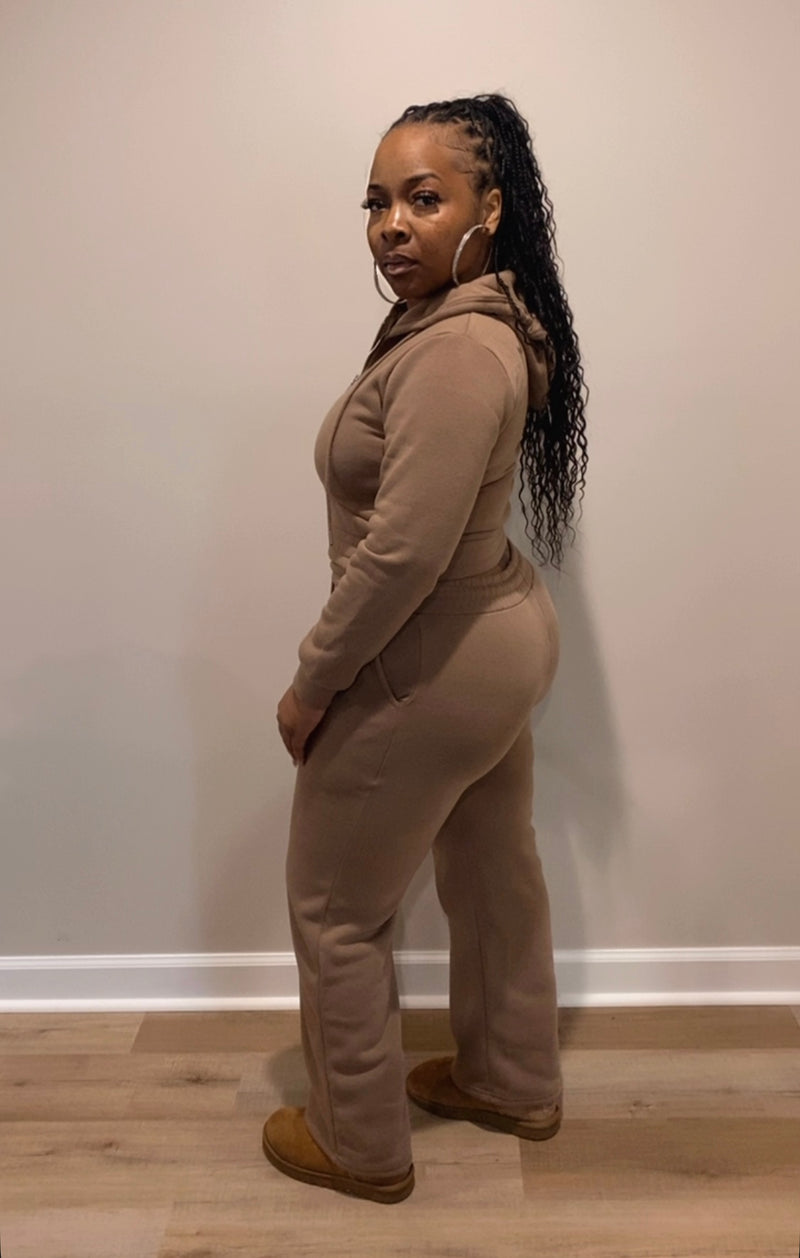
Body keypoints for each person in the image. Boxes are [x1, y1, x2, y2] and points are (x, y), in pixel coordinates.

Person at [263, 94, 588, 1204]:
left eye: (423, 198)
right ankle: (509, 1075)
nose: (391, 225)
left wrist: (313, 682)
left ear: (488, 209)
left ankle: (356, 1138)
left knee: (333, 909)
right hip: (493, 641)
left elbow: (401, 556)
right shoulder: (475, 322)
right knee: (492, 871)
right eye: (377, 202)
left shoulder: (456, 349)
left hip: (429, 659)